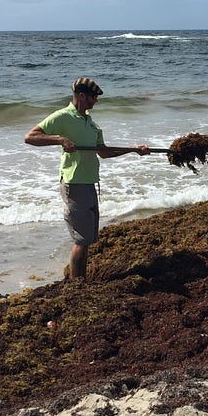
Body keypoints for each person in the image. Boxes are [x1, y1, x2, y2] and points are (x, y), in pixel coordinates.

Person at [25, 77, 149, 280]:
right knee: (81, 240)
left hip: (89, 183)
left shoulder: (91, 123)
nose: (96, 101)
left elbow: (104, 152)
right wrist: (60, 140)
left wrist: (133, 150)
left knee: (87, 239)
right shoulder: (63, 117)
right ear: (81, 96)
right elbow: (30, 137)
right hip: (74, 184)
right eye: (93, 97)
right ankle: (77, 286)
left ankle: (80, 280)